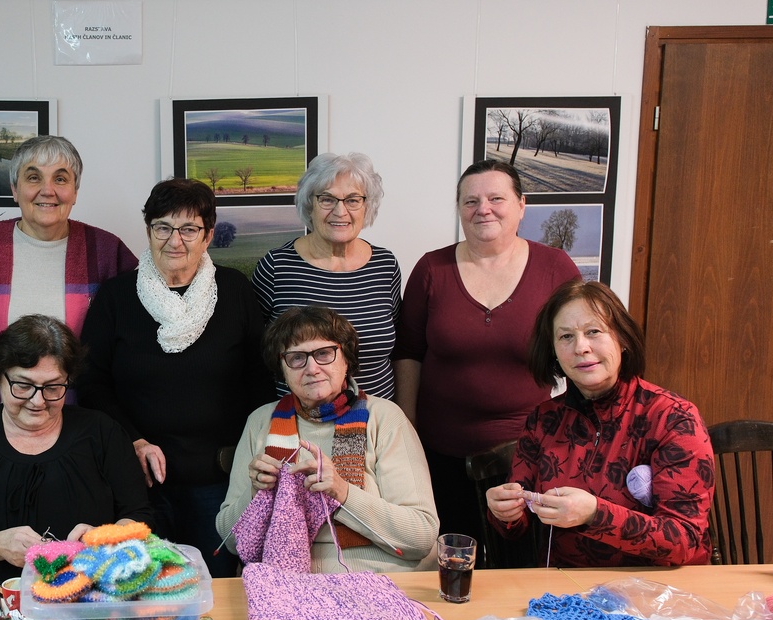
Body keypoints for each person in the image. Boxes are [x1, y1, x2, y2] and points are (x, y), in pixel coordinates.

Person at [79, 178, 272, 578]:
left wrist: (251, 456)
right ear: (148, 230)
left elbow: (260, 379)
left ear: (208, 236)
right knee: (141, 586)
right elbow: (92, 383)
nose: (175, 240)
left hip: (218, 479)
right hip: (137, 482)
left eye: (188, 229)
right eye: (163, 227)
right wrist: (133, 440)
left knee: (214, 588)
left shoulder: (234, 291)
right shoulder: (116, 297)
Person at [393, 160, 580, 547]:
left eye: (496, 198)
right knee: (447, 559)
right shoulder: (432, 268)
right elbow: (408, 353)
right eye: (471, 201)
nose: (483, 209)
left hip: (527, 458)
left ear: (521, 205)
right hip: (438, 457)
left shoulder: (554, 267)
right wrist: (408, 435)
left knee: (516, 562)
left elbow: (580, 350)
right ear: (459, 209)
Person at [0, 315, 154, 586]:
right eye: (23, 385)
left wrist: (103, 539)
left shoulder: (102, 433)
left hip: (83, 598)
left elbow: (139, 518)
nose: (37, 401)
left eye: (53, 387)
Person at [485, 281, 714, 567]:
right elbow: (516, 528)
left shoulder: (673, 418)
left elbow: (683, 541)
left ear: (623, 339)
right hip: (567, 586)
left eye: (593, 331)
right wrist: (504, 512)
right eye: (566, 336)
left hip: (660, 587)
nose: (581, 347)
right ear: (553, 351)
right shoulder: (544, 420)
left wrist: (595, 513)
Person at [217, 306, 438, 573]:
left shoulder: (385, 418)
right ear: (282, 368)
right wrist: (255, 494)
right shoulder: (260, 422)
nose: (312, 368)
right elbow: (230, 541)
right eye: (296, 358)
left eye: (323, 353)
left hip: (374, 575)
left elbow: (421, 536)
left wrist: (342, 493)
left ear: (346, 359)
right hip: (285, 578)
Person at [0, 135, 138, 405]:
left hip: (81, 415)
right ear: (15, 189)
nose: (47, 190)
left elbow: (125, 353)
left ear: (75, 191)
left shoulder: (106, 252)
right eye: (33, 177)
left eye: (60, 179)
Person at [253, 153, 401, 399]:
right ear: (309, 204)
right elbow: (255, 353)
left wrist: (401, 414)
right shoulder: (277, 267)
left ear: (367, 206)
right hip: (297, 418)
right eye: (327, 199)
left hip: (377, 416)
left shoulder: (385, 265)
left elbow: (400, 348)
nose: (340, 211)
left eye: (353, 200)